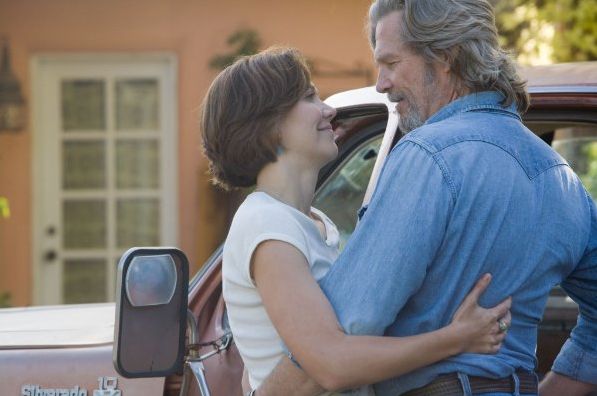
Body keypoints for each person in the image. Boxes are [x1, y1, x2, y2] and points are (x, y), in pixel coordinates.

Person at [254, 1, 597, 395]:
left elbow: (344, 331)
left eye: (391, 62)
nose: (381, 83)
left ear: (446, 57)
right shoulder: (561, 179)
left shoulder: (429, 156)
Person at [200, 47, 512, 396]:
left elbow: (256, 368)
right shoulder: (265, 224)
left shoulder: (311, 221)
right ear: (267, 125)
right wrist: (455, 339)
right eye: (308, 98)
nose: (328, 110)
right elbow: (331, 364)